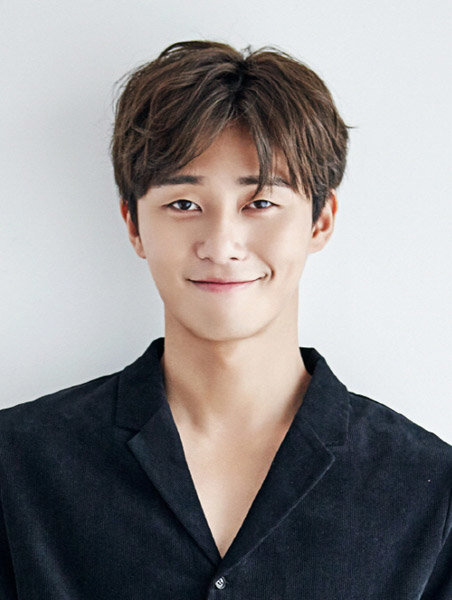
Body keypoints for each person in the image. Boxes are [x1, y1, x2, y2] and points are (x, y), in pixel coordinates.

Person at [0, 40, 450, 600]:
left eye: (260, 202)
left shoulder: (428, 490)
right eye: (184, 204)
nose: (221, 245)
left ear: (320, 221)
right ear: (134, 225)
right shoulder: (18, 465)